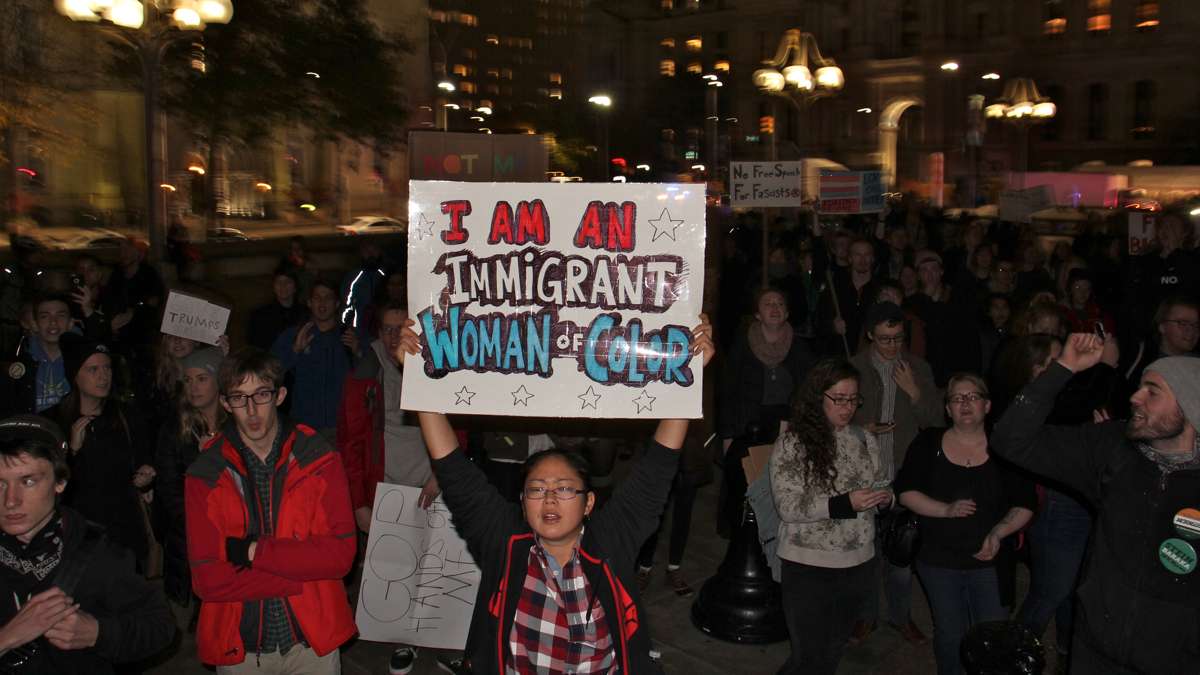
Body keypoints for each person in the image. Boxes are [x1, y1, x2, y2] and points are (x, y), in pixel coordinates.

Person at [397, 315, 714, 674]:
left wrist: (690, 373)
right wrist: (418, 375)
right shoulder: (504, 541)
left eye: (564, 489)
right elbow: (455, 472)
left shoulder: (612, 540)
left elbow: (657, 469)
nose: (549, 499)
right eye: (536, 489)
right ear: (521, 501)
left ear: (588, 502)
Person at [992, 334, 1200, 674]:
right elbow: (1010, 440)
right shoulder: (1111, 448)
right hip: (1095, 648)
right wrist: (1063, 368)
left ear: (1190, 406)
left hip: (1173, 658)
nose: (1135, 396)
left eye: (1152, 391)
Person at [185, 348, 356, 673]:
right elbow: (207, 579)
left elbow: (341, 557)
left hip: (312, 642)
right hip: (242, 648)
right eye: (239, 397)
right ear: (224, 403)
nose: (251, 410)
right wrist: (298, 575)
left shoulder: (319, 458)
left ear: (279, 395)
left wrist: (252, 550)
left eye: (261, 394)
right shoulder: (205, 472)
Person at [0, 414, 176, 674]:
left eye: (28, 481)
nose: (10, 500)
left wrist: (99, 633)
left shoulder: (97, 553)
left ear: (60, 483)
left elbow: (161, 626)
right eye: (0, 483)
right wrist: (8, 637)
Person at [896, 374, 1036, 675]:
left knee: (992, 636)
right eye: (957, 398)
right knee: (949, 634)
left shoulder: (1006, 447)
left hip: (991, 562)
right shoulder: (928, 442)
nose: (965, 404)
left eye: (973, 397)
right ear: (948, 409)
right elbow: (906, 492)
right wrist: (945, 509)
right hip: (939, 560)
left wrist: (999, 532)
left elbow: (1025, 504)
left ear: (987, 405)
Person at [770, 358, 890, 675]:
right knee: (807, 658)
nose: (847, 407)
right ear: (818, 397)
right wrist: (843, 503)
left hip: (858, 564)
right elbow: (787, 506)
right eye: (839, 398)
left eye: (853, 399)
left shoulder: (866, 441)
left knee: (832, 654)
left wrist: (885, 498)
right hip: (809, 566)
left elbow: (879, 485)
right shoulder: (793, 443)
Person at [337, 302, 436, 674]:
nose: (396, 336)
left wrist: (443, 474)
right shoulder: (364, 374)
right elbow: (351, 442)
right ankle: (403, 641)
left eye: (402, 327)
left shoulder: (433, 361)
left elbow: (458, 415)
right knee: (396, 568)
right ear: (378, 332)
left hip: (431, 480)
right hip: (389, 487)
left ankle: (441, 635)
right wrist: (359, 502)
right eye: (388, 329)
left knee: (436, 566)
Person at [850, 302, 942, 645]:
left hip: (903, 476)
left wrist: (914, 391)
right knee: (866, 553)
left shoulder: (917, 368)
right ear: (871, 335)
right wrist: (863, 428)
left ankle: (900, 617)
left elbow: (935, 423)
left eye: (898, 339)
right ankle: (866, 616)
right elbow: (834, 416)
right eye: (885, 339)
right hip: (866, 474)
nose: (891, 347)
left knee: (901, 555)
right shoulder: (855, 367)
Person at [49, 335, 155, 570]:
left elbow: (143, 463)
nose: (103, 376)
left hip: (125, 534)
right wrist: (72, 451)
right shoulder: (54, 421)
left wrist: (146, 479)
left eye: (107, 368)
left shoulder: (127, 416)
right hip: (77, 537)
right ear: (75, 375)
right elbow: (49, 485)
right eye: (93, 369)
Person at [718, 288, 814, 536]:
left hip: (785, 428)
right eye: (767, 303)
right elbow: (728, 391)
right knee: (745, 492)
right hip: (747, 427)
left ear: (787, 312)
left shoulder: (800, 348)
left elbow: (808, 391)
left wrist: (796, 425)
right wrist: (728, 435)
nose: (774, 308)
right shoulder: (742, 345)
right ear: (758, 314)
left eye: (780, 303)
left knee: (781, 490)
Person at [154, 346, 225, 609]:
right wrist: (194, 521)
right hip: (188, 531)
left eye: (202, 378)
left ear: (219, 382)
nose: (194, 387)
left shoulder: (237, 425)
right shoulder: (175, 427)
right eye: (188, 379)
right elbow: (169, 485)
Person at [271, 279, 359, 439]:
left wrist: (358, 351)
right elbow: (269, 372)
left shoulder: (349, 337)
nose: (322, 303)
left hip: (342, 427)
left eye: (328, 298)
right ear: (310, 302)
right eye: (317, 298)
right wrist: (295, 350)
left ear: (337, 303)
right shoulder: (294, 335)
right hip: (304, 426)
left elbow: (370, 374)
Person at [906, 250, 982, 386]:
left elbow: (970, 339)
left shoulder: (959, 299)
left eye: (934, 269)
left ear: (941, 272)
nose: (930, 274)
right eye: (924, 270)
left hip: (955, 374)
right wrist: (925, 298)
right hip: (925, 375)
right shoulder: (912, 304)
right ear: (918, 275)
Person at [817, 237, 879, 357]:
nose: (862, 259)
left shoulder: (880, 290)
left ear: (873, 259)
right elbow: (819, 321)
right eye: (857, 255)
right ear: (850, 258)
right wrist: (832, 326)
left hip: (870, 358)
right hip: (839, 357)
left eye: (867, 255)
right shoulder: (835, 288)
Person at [247, 267, 309, 351]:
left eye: (288, 282)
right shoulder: (259, 316)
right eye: (278, 282)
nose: (283, 286)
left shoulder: (306, 314)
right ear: (273, 287)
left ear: (295, 287)